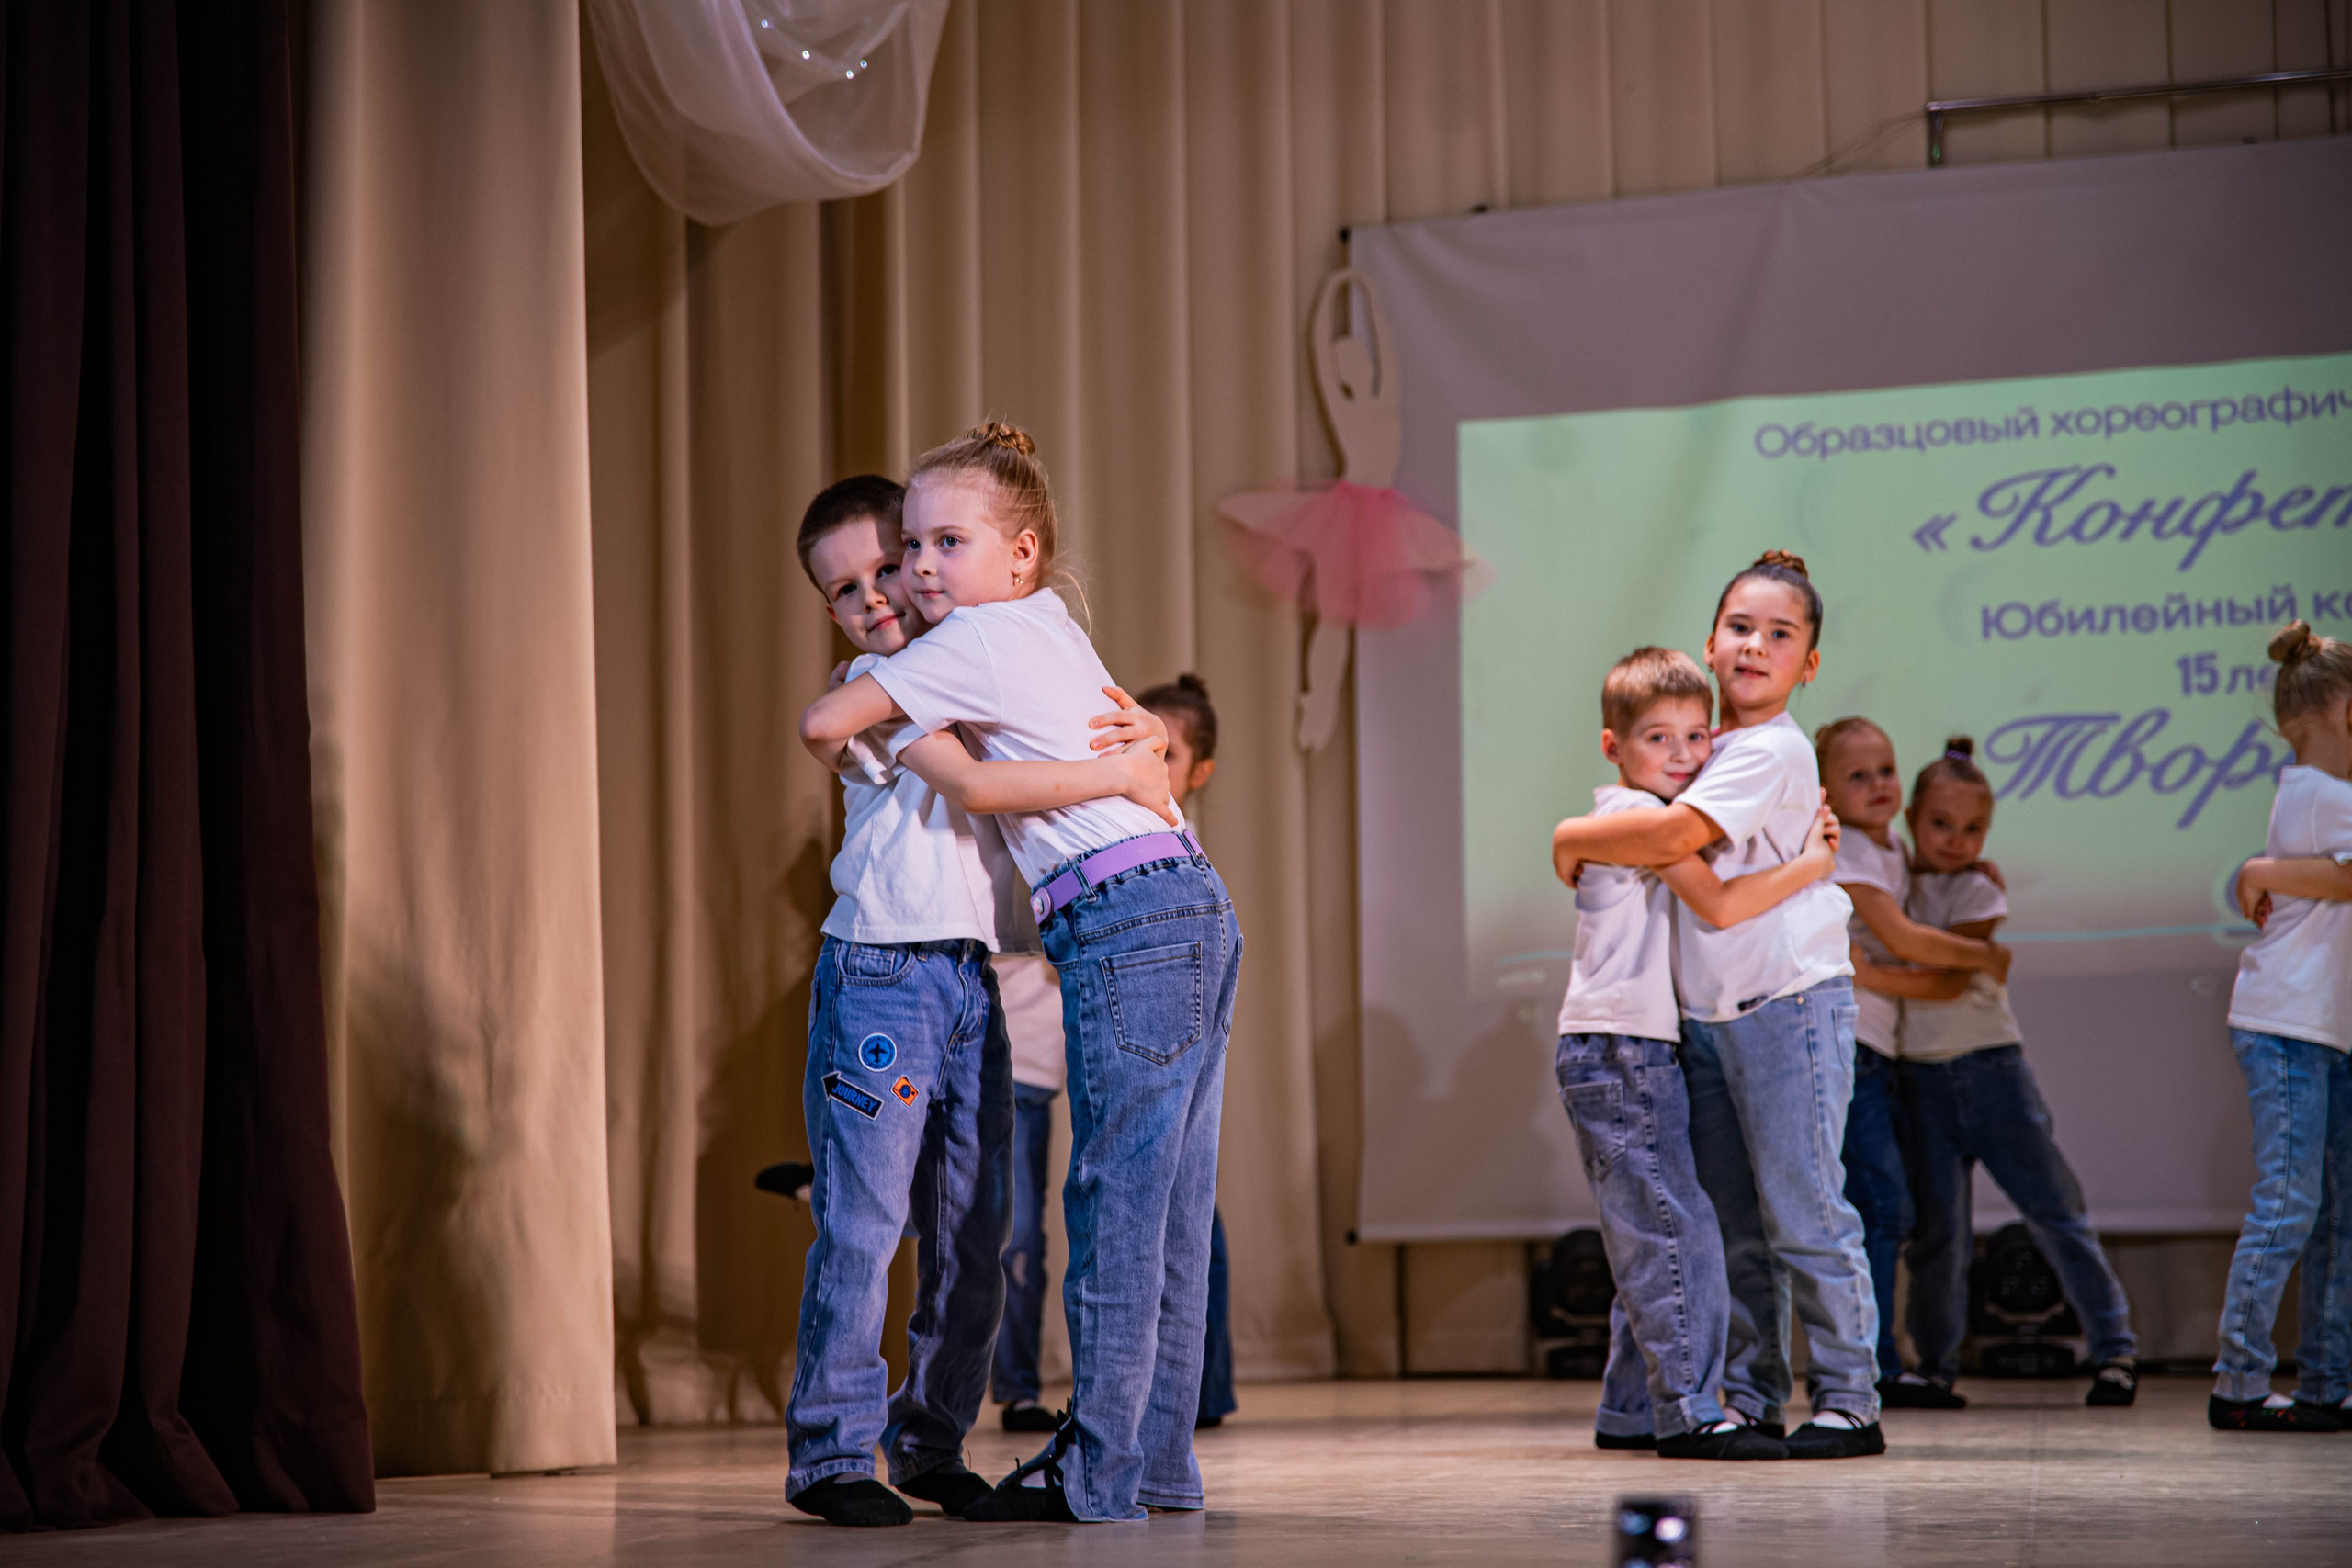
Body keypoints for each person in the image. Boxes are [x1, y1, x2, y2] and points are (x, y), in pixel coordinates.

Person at [799, 423, 1241, 1524]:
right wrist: (1124, 762)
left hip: (1011, 960)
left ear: (1012, 552)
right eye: (858, 582)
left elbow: (1038, 753)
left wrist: (1135, 749)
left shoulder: (974, 644)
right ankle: (846, 1457)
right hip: (914, 963)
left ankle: (1035, 1460)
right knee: (893, 1225)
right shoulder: (922, 665)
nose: (896, 583)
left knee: (1035, 1223)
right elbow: (963, 777)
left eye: (915, 553)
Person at [1551, 551, 1881, 1459]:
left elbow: (1669, 841)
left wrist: (1569, 833)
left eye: (1781, 635)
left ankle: (1851, 1399)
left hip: (1787, 1002)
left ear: (1807, 665)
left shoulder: (1771, 748)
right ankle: (1752, 1394)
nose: (1754, 646)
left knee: (1804, 1211)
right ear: (1709, 640)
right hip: (1708, 1018)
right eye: (1740, 626)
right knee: (1739, 1228)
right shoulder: (1700, 749)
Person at [1896, 738, 2140, 1409]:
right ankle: (1936, 1365)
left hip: (1991, 1071)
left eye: (1973, 827)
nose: (1955, 839)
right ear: (1911, 818)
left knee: (2054, 1209)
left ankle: (2116, 1348)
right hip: (1919, 1080)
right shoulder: (1890, 882)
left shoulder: (1979, 887)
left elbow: (1947, 980)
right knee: (1938, 1234)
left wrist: (1867, 972)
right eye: (1940, 823)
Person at [1814, 717, 2008, 1411]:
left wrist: (1973, 881)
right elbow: (1899, 935)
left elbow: (1922, 896)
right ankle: (1868, 1364)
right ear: (1825, 792)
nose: (1878, 785)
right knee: (1879, 1202)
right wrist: (1983, 953)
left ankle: (1872, 1358)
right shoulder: (1851, 854)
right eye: (1858, 775)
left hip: (1883, 1049)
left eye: (1886, 770)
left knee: (1884, 1206)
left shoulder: (1890, 848)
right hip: (1852, 1042)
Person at [2210, 620, 2352, 1432]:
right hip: (2290, 1025)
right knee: (2292, 1202)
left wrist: (2259, 871)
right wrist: (2258, 872)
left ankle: (2327, 1380)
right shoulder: (2319, 795)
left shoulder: (2314, 795)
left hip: (2319, 1027)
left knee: (2328, 1208)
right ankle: (2238, 1378)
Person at [1136, 674, 1235, 1429]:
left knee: (1188, 1208)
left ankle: (1195, 1391)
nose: (1149, 758)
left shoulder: (1177, 847)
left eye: (1165, 751)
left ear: (1198, 771)